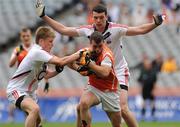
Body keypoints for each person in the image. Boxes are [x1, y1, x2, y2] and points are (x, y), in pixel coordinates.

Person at [36, 1, 164, 127]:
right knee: (81, 106)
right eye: (95, 17)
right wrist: (44, 16)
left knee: (123, 109)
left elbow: (140, 30)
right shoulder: (88, 30)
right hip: (99, 72)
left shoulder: (116, 29)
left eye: (101, 17)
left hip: (118, 71)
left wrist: (155, 24)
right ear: (92, 17)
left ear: (106, 16)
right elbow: (63, 30)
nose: (98, 20)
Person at [6, 26, 82, 127]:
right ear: (41, 41)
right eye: (50, 41)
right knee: (34, 109)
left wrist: (57, 70)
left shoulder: (41, 56)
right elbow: (60, 61)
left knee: (38, 122)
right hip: (16, 90)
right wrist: (80, 53)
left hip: (29, 93)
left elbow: (46, 74)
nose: (52, 44)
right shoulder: (37, 52)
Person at [69, 31, 121, 127]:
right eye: (95, 46)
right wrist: (80, 69)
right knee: (83, 104)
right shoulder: (85, 52)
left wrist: (90, 65)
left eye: (100, 46)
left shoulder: (107, 55)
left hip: (110, 90)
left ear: (104, 43)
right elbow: (69, 61)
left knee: (117, 125)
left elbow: (105, 73)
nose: (97, 49)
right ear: (90, 44)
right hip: (94, 87)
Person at [8, 28, 33, 122]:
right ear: (21, 37)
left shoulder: (35, 49)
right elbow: (10, 64)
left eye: (28, 35)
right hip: (20, 82)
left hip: (31, 82)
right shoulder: (18, 49)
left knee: (30, 107)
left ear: (31, 36)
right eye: (24, 36)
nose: (26, 38)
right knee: (21, 103)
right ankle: (11, 117)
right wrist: (16, 54)